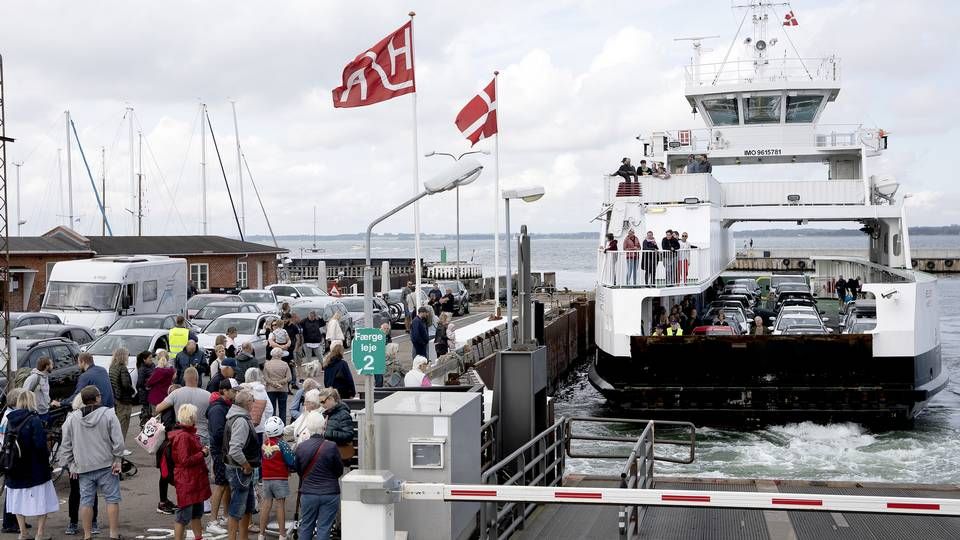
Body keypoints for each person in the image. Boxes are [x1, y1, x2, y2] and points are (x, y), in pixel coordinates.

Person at [59, 385, 125, 540]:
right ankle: (113, 534)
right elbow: (118, 441)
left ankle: (87, 535)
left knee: (86, 501)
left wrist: (72, 465)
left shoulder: (72, 419)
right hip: (106, 464)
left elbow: (65, 445)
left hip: (83, 467)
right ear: (97, 398)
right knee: (112, 499)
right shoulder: (108, 415)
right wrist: (117, 459)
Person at [4, 391, 58, 539]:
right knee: (42, 500)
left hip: (14, 468)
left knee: (17, 502)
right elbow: (40, 446)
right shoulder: (34, 420)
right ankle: (40, 533)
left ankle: (23, 532)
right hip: (35, 470)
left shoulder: (11, 420)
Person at [293, 410, 342, 540]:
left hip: (308, 492)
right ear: (324, 425)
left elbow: (298, 470)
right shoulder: (331, 446)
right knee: (324, 528)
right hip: (330, 493)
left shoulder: (301, 447)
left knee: (306, 526)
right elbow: (339, 471)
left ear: (308, 426)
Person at [169, 403, 212, 540]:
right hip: (187, 480)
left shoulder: (187, 434)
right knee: (183, 515)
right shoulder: (183, 436)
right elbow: (184, 460)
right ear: (191, 417)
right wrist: (202, 453)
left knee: (196, 513)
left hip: (193, 479)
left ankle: (198, 537)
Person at [224, 390, 260, 540]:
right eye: (252, 401)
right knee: (237, 508)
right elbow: (235, 449)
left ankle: (243, 537)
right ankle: (233, 537)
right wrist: (246, 465)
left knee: (247, 506)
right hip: (240, 470)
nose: (254, 404)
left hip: (240, 469)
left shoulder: (236, 416)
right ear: (247, 404)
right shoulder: (241, 421)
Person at [206, 378, 238, 536]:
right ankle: (212, 520)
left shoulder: (225, 406)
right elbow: (219, 433)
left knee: (225, 484)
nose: (235, 393)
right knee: (220, 484)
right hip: (220, 451)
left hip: (225, 450)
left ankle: (225, 516)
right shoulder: (218, 409)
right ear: (224, 391)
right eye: (233, 390)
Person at [156, 367, 211, 448]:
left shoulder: (176, 393)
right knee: (201, 458)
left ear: (184, 378)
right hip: (202, 435)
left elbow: (158, 409)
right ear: (197, 378)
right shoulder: (208, 395)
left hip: (181, 435)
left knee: (182, 459)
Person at [259, 417, 294, 540]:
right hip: (280, 478)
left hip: (266, 478)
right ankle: (282, 534)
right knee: (280, 505)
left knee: (266, 505)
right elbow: (291, 461)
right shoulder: (283, 444)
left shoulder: (264, 444)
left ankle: (261, 534)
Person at [109, 346, 137, 440]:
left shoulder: (112, 367)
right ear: (123, 356)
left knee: (118, 423)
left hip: (117, 398)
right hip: (124, 400)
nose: (128, 357)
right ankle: (120, 447)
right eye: (127, 355)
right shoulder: (122, 368)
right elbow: (126, 384)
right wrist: (132, 392)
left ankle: (116, 444)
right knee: (124, 424)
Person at [241, 368, 274, 438]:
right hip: (259, 425)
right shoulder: (261, 390)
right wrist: (265, 421)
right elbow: (269, 409)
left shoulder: (243, 389)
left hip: (244, 424)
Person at [264, 348, 292, 423]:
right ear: (281, 355)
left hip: (270, 389)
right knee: (282, 409)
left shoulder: (267, 364)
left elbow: (265, 377)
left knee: (272, 409)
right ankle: (282, 425)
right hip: (283, 389)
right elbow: (289, 378)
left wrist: (274, 383)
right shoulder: (285, 364)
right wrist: (280, 382)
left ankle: (272, 425)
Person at [136, 350, 156, 427]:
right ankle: (144, 424)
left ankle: (150, 424)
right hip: (145, 393)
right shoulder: (142, 369)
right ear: (144, 359)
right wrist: (146, 386)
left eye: (152, 358)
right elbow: (140, 383)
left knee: (151, 412)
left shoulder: (152, 365)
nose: (151, 359)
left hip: (152, 393)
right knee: (146, 411)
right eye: (149, 358)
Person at [283, 314, 303, 388]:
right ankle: (286, 383)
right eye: (283, 319)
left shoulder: (294, 327)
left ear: (289, 319)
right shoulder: (282, 326)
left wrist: (296, 348)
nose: (285, 320)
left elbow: (298, 338)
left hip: (292, 349)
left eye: (286, 319)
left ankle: (294, 382)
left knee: (292, 366)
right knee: (285, 366)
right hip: (284, 348)